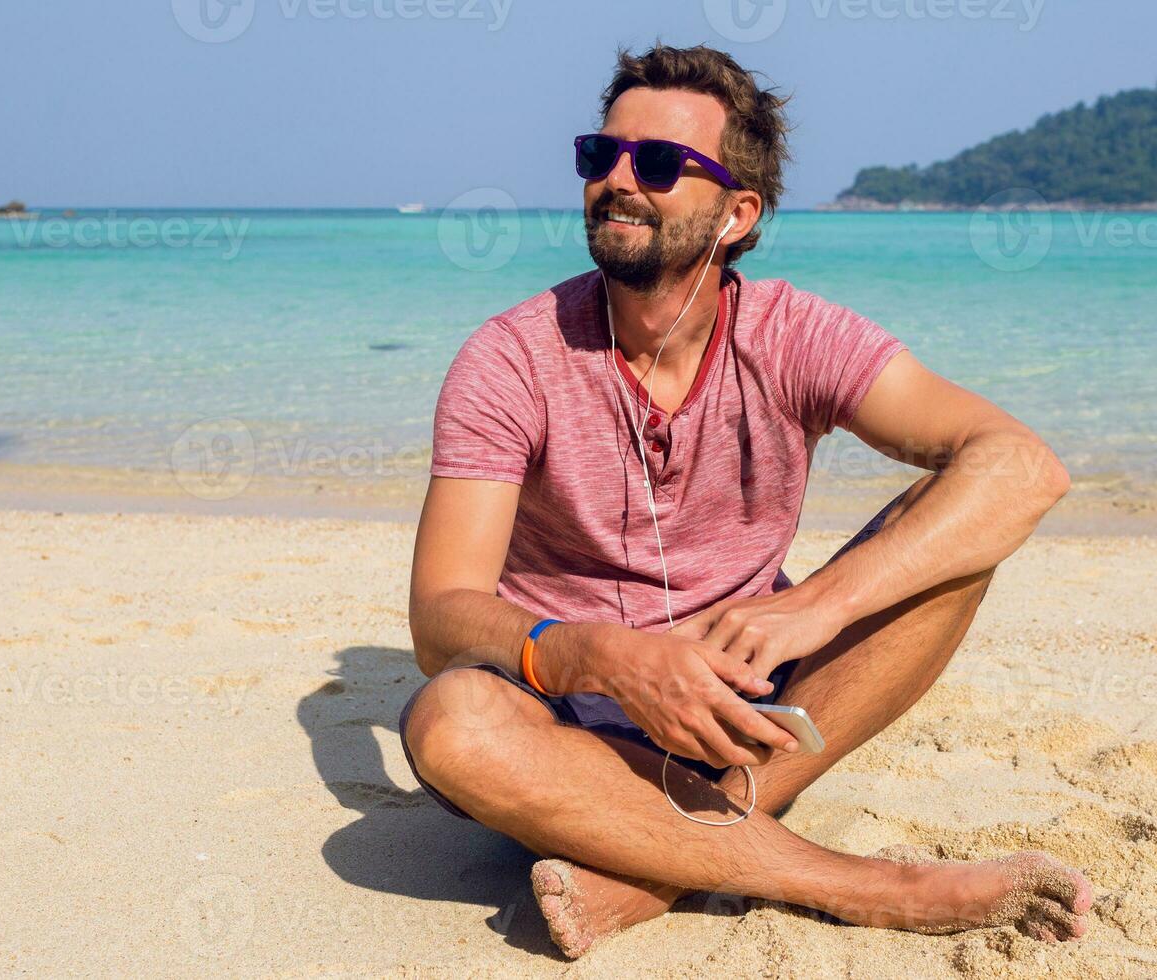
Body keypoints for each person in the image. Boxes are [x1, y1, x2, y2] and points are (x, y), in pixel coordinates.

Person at [402, 43, 1091, 959]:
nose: (615, 180)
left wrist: (812, 607)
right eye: (596, 156)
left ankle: (661, 858)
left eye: (653, 164)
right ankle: (867, 887)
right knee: (449, 721)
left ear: (735, 214)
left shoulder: (794, 334)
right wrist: (603, 658)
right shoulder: (512, 358)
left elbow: (1019, 467)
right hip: (569, 732)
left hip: (751, 715)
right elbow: (440, 615)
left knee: (952, 545)